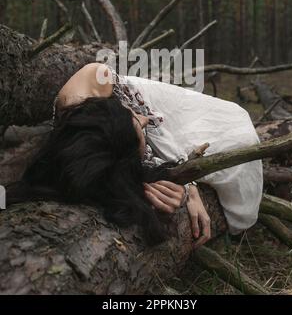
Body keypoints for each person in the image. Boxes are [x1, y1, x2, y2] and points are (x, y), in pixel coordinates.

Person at [8, 63, 263, 247]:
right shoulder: (98, 159)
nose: (143, 119)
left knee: (236, 122)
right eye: (140, 129)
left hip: (165, 105)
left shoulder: (90, 83)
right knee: (241, 142)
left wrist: (190, 186)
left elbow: (152, 119)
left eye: (133, 118)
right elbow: (107, 175)